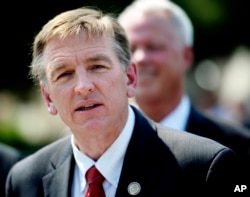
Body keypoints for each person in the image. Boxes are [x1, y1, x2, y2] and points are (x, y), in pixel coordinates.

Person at [6, 6, 249, 196]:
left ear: (130, 78)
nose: (83, 86)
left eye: (97, 66)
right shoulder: (25, 180)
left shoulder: (205, 168)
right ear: (48, 97)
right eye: (65, 74)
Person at [118, 0, 250, 181]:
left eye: (153, 47)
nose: (139, 58)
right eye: (130, 49)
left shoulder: (237, 148)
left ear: (186, 56)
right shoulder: (98, 147)